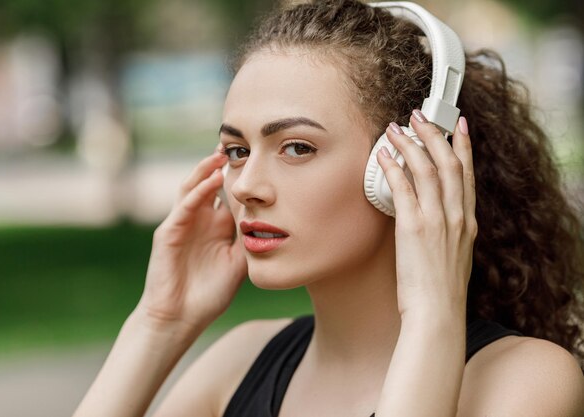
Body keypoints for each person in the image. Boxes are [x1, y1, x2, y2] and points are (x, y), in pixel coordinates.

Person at [72, 1, 584, 416]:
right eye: (236, 151)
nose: (246, 186)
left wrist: (433, 316)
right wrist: (160, 322)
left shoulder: (527, 380)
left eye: (297, 147)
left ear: (407, 166)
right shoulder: (236, 364)